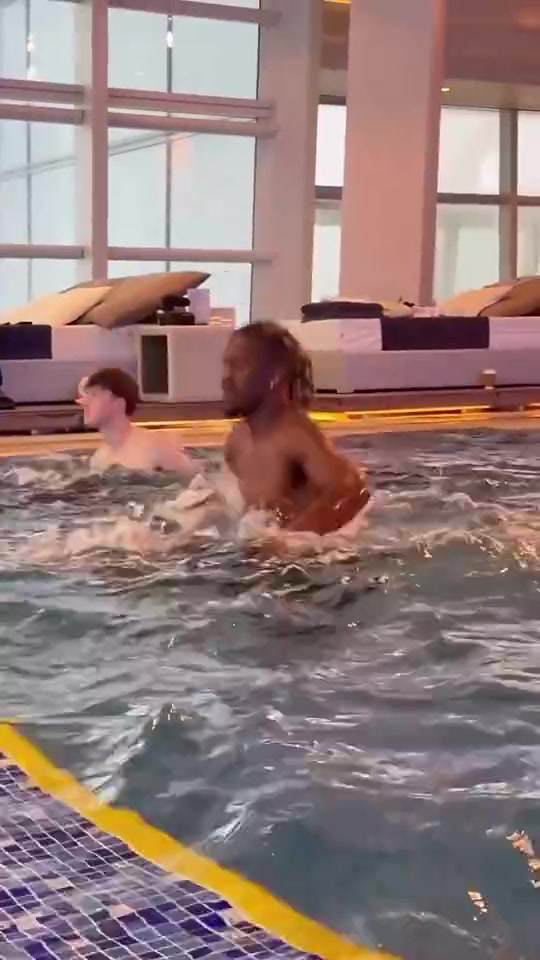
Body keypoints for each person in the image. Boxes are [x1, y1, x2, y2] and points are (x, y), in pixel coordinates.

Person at [221, 321, 370, 537]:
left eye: (238, 366)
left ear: (275, 375)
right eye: (225, 365)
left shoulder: (296, 437)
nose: (226, 376)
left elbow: (353, 492)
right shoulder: (236, 443)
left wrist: (290, 540)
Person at [76, 367, 194, 475]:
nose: (84, 402)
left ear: (119, 403)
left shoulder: (154, 447)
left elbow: (195, 480)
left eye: (94, 395)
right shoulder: (98, 459)